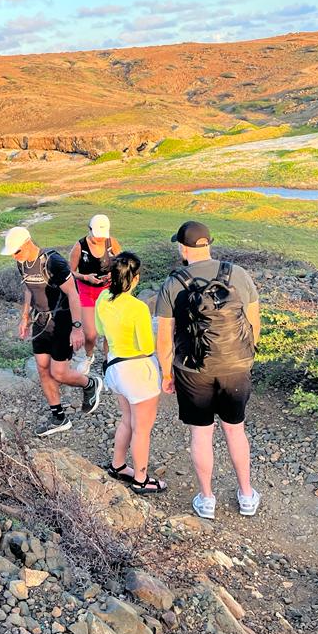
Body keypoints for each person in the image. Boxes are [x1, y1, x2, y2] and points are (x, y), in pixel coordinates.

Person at [154, 220, 262, 519]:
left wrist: (167, 374)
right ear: (209, 244)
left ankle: (207, 499)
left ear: (182, 248)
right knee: (235, 430)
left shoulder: (173, 284)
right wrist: (244, 359)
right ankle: (246, 495)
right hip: (235, 367)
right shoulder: (238, 274)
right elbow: (254, 325)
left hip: (192, 371)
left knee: (201, 435)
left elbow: (164, 340)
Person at [1, 226, 104, 437]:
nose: (14, 256)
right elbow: (28, 288)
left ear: (27, 243)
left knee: (59, 373)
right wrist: (25, 316)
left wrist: (77, 328)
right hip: (40, 321)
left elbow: (73, 294)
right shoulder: (22, 263)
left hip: (61, 321)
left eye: (16, 251)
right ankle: (59, 417)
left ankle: (90, 383)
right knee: (42, 368)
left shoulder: (53, 261)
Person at [95, 252, 166, 495]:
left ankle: (118, 465)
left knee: (127, 419)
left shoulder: (102, 298)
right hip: (137, 372)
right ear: (135, 278)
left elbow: (100, 331)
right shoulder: (138, 308)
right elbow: (146, 347)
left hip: (115, 368)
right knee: (142, 429)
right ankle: (141, 479)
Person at [68, 214, 122, 375]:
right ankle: (89, 355)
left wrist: (113, 274)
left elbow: (121, 263)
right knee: (90, 334)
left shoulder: (112, 242)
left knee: (109, 330)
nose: (100, 239)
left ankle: (108, 361)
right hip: (87, 291)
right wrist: (85, 277)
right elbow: (70, 272)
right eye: (97, 235)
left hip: (107, 291)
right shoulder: (80, 246)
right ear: (90, 229)